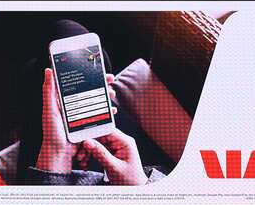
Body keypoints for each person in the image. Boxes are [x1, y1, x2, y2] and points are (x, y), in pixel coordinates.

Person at [15, 19, 165, 187]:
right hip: (147, 177)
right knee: (77, 50)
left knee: (65, 34)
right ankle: (32, 79)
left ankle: (30, 79)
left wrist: (55, 154)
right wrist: (139, 184)